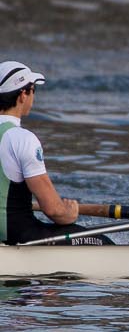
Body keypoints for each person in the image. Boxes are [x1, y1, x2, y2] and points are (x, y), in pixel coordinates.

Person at [0, 60, 80, 245]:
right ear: (23, 95)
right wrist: (69, 212)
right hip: (19, 237)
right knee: (100, 239)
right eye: (33, 90)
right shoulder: (22, 138)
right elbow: (54, 211)